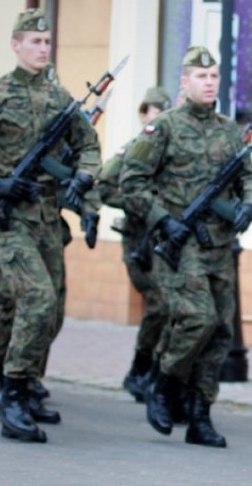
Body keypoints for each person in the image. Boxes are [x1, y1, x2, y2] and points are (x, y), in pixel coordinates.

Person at [0, 8, 101, 443]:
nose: (43, 49)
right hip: (7, 218)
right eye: (34, 42)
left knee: (49, 309)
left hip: (46, 217)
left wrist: (82, 177)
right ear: (16, 45)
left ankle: (20, 382)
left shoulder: (62, 100)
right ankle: (12, 389)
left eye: (46, 43)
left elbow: (89, 146)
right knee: (36, 299)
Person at [120, 46, 252, 448]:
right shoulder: (162, 128)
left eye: (214, 76)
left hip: (219, 244)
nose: (209, 82)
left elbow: (248, 177)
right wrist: (163, 219)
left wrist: (250, 203)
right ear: (184, 82)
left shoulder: (228, 130)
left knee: (220, 332)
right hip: (178, 243)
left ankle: (201, 413)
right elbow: (132, 181)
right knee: (197, 318)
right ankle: (162, 382)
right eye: (201, 77)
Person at [98, 86, 172, 402]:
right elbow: (104, 186)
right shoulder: (130, 150)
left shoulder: (170, 151)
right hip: (137, 240)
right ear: (143, 114)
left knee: (170, 306)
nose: (159, 117)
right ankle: (140, 369)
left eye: (164, 111)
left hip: (164, 241)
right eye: (155, 111)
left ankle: (153, 371)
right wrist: (137, 204)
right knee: (158, 303)